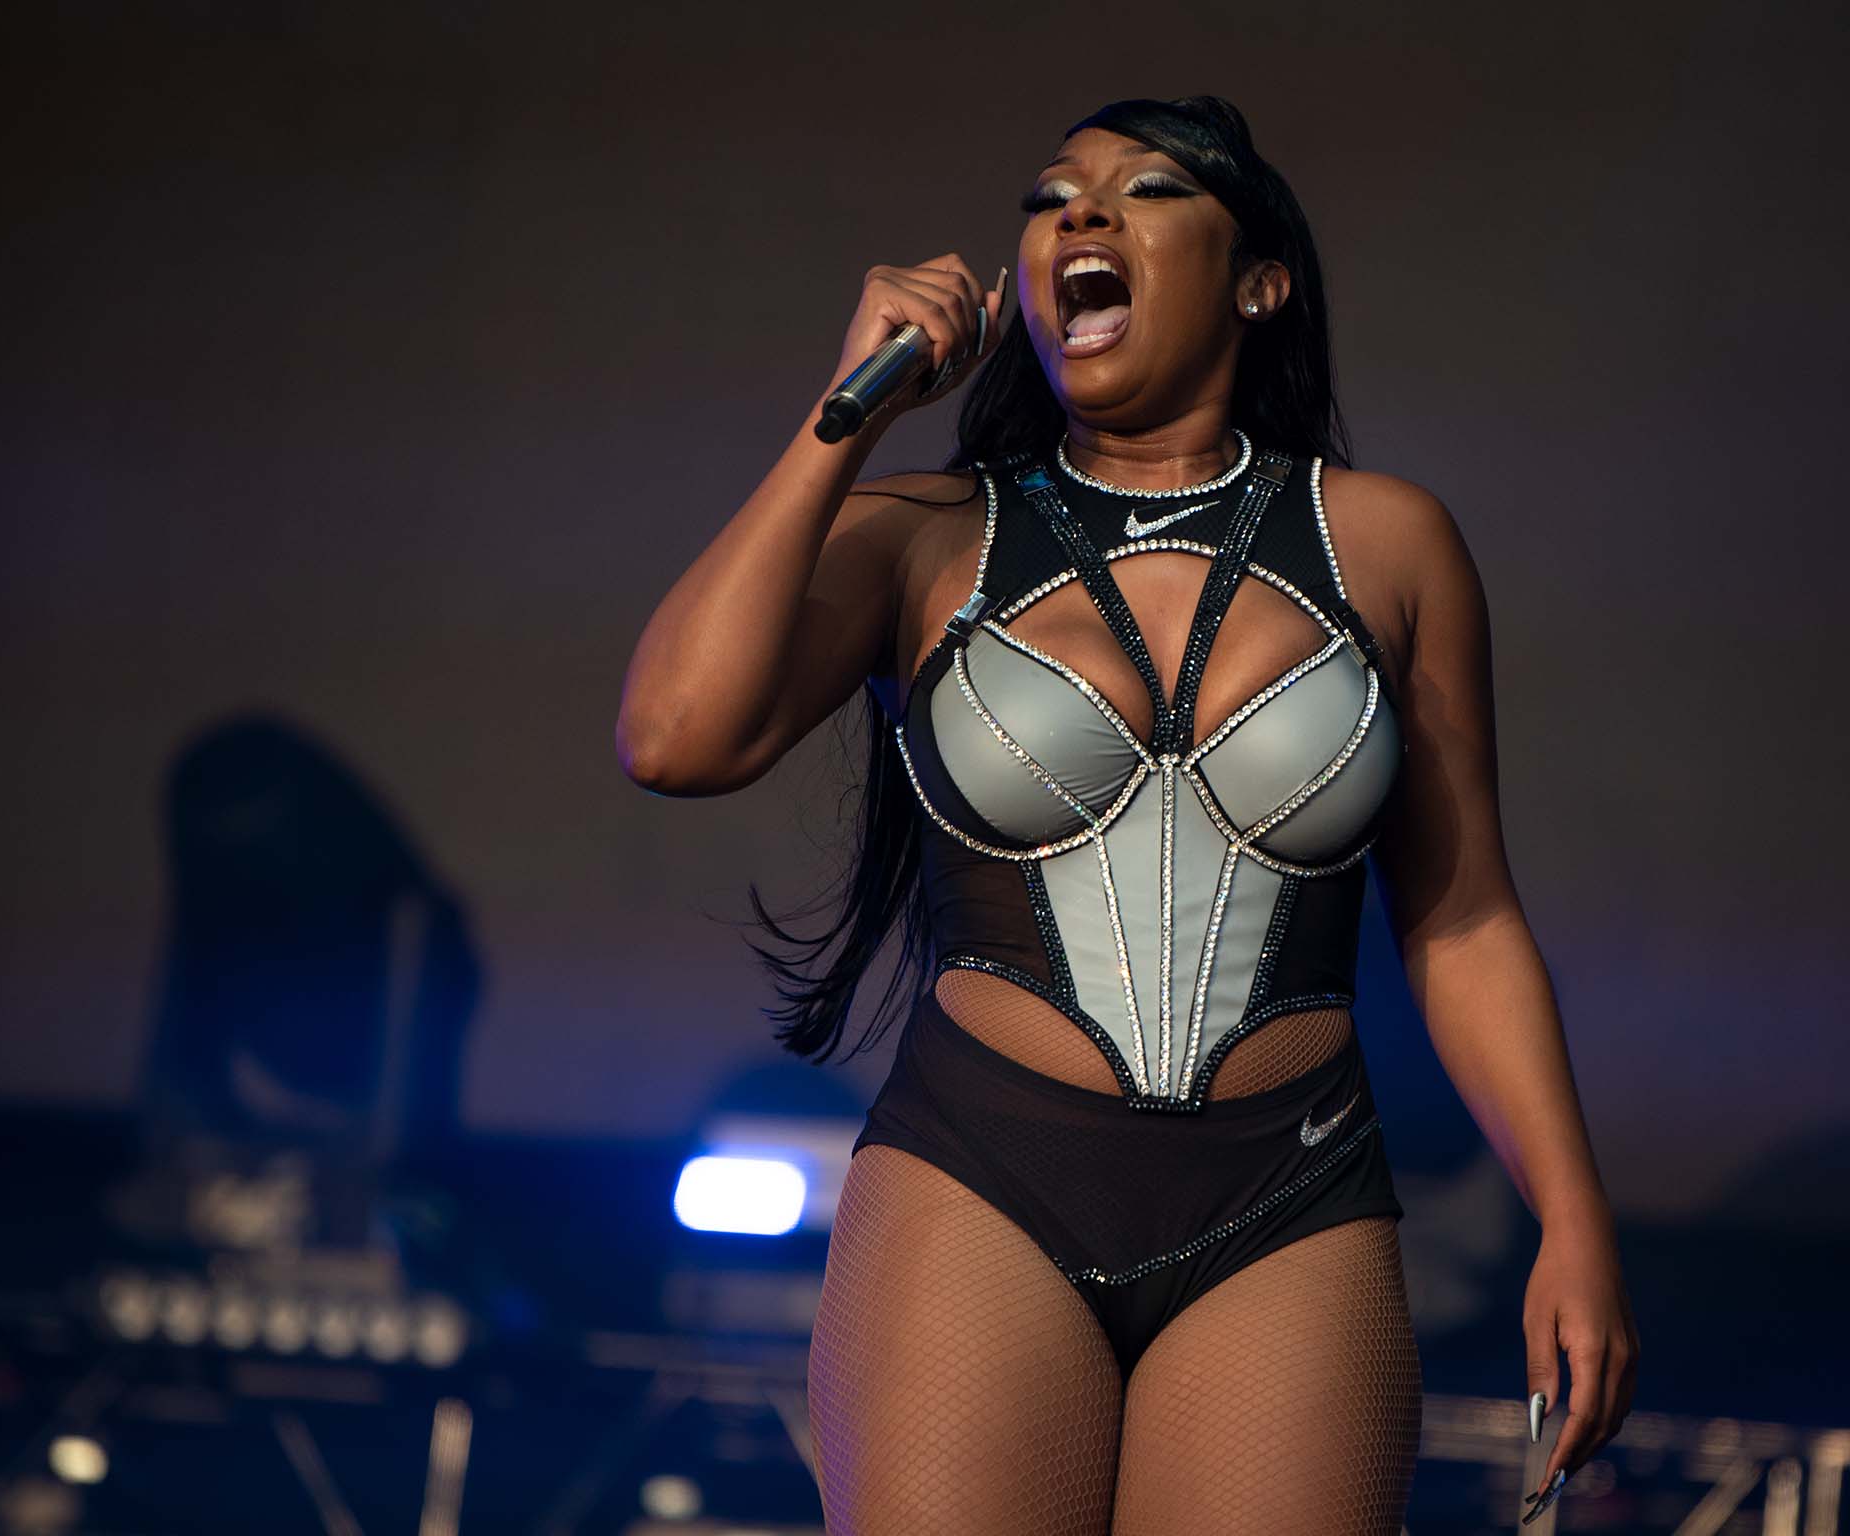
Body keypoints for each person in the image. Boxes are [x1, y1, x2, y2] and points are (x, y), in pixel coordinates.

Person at [617, 93, 1637, 1536]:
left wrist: (1575, 1220)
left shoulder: (1388, 543)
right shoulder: (928, 533)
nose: (1081, 215)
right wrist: (845, 414)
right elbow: (672, 738)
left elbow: (1465, 921)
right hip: (982, 1179)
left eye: (1146, 190)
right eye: (1051, 198)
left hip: (1286, 1196)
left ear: (1259, 282)